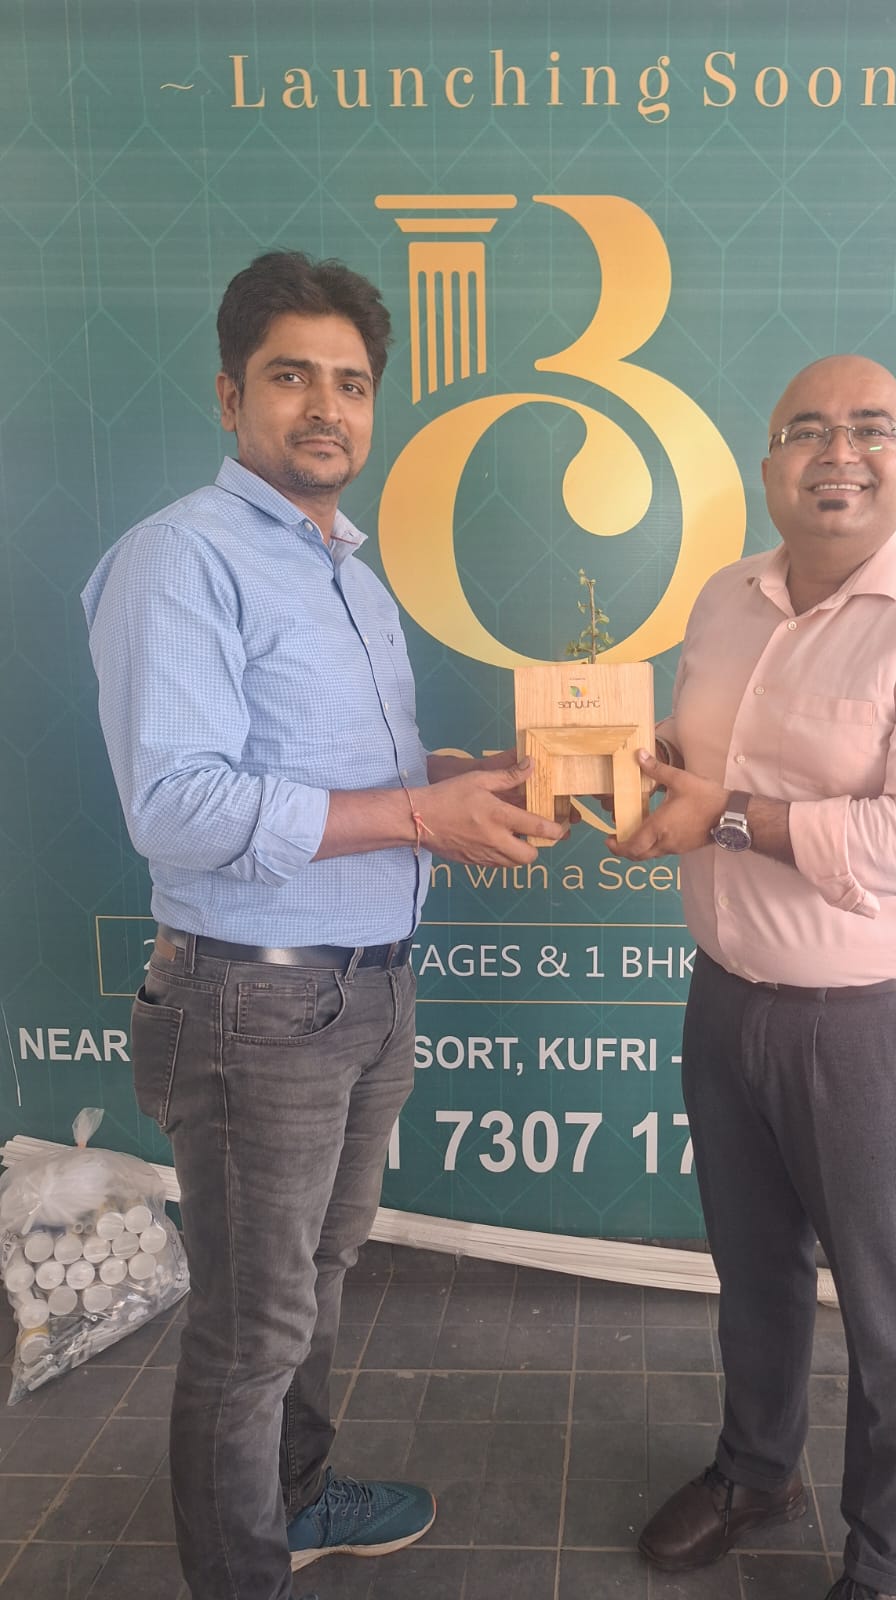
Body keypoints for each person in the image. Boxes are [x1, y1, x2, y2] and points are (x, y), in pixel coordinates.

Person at [81, 250, 565, 1600]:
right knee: (252, 1330)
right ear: (232, 395)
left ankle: (294, 1500)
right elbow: (176, 805)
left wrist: (459, 781)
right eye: (292, 376)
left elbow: (345, 777)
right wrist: (419, 816)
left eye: (351, 383)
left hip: (362, 990)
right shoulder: (183, 557)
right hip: (254, 1003)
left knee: (321, 1277)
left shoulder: (348, 572)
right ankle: (242, 1570)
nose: (326, 407)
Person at [611, 355, 896, 1600]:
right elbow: (700, 762)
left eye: (871, 429)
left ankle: (893, 1562)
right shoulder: (725, 600)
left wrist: (729, 815)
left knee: (891, 1309)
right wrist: (622, 766)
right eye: (807, 430)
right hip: (727, 994)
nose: (838, 452)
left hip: (873, 1023)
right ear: (769, 465)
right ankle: (756, 1471)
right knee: (753, 1270)